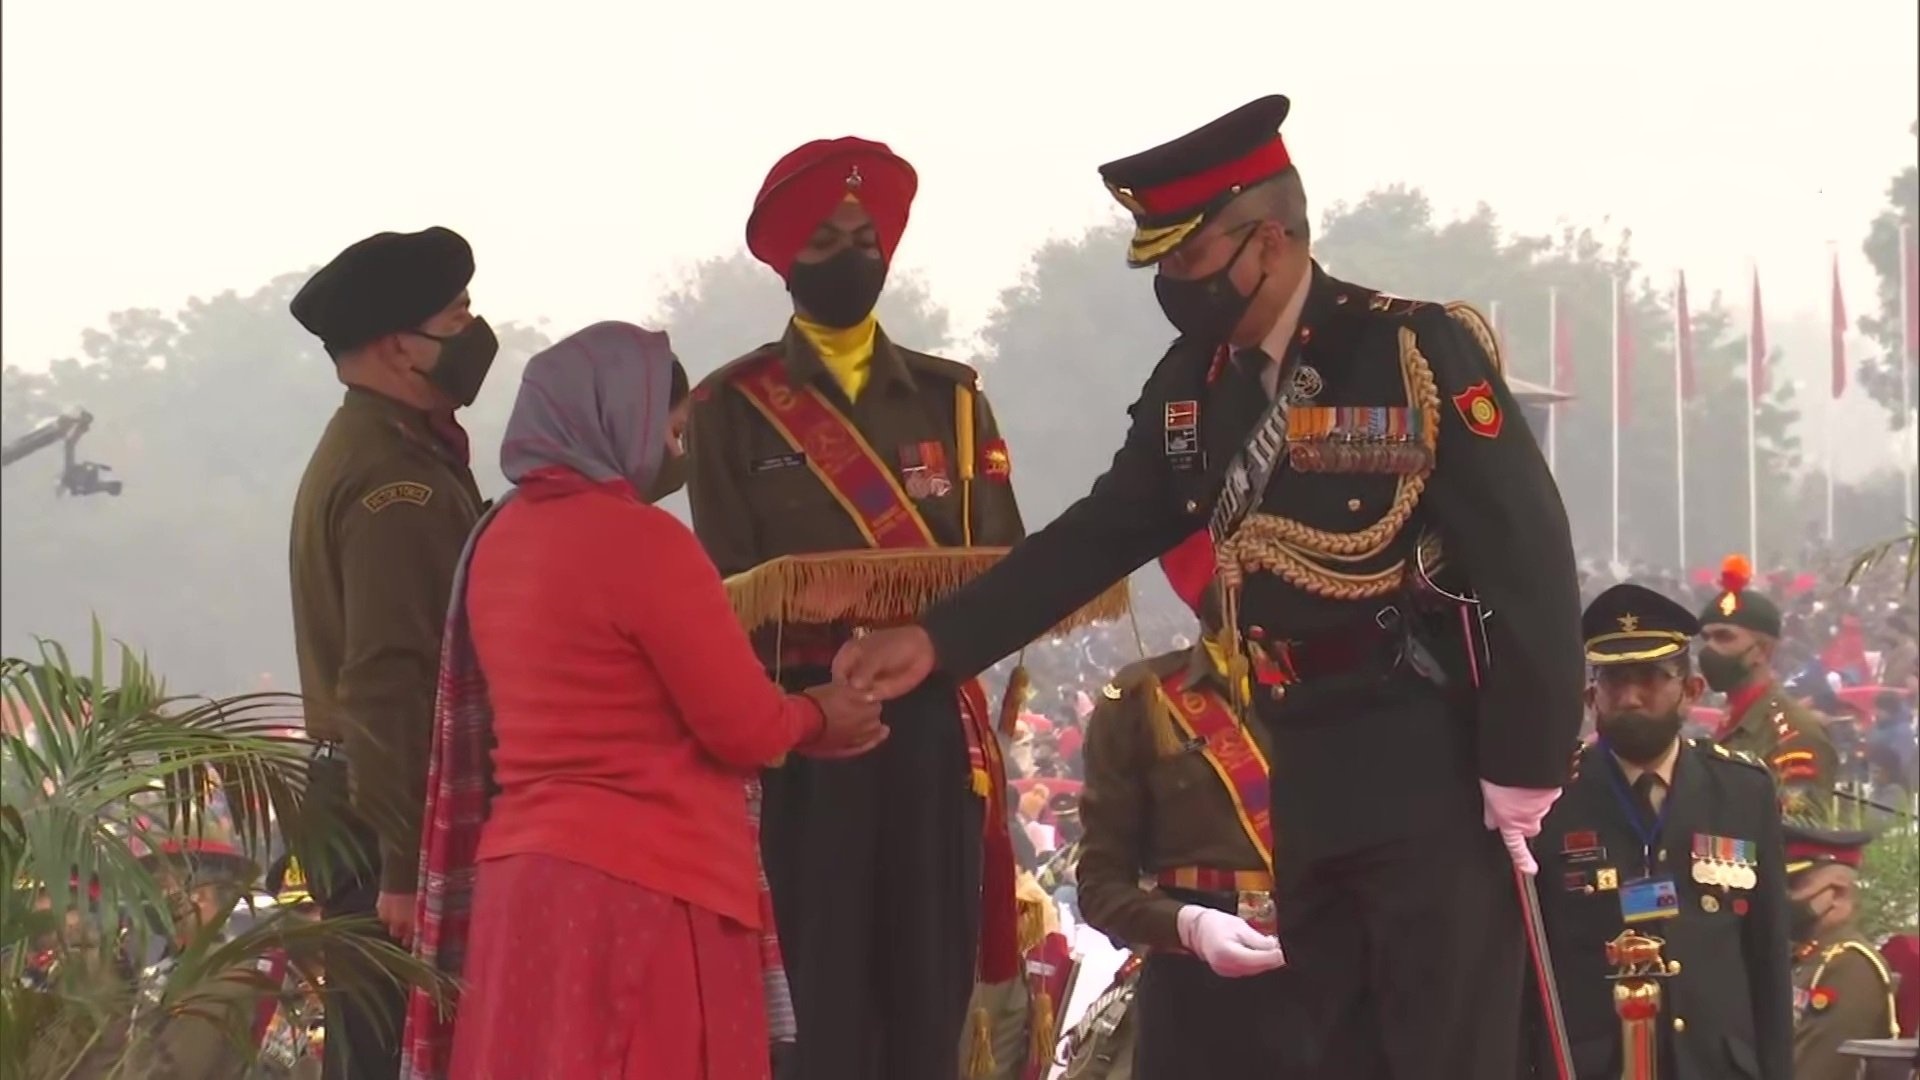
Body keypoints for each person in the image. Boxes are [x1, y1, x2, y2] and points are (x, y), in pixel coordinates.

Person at [835, 94, 1584, 1080]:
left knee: (1443, 1041)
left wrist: (1523, 762)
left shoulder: (1409, 350)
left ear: (1267, 239)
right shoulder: (1195, 386)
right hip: (1293, 757)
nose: (1174, 284)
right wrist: (940, 642)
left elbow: (1527, 556)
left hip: (1424, 753)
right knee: (1332, 1048)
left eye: (1188, 258)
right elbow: (1100, 533)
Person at [395, 322, 887, 1080]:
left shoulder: (495, 541)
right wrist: (823, 713)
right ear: (617, 417)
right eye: (675, 427)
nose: (678, 451)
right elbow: (744, 727)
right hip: (646, 891)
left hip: (523, 886)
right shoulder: (645, 543)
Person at [686, 136, 1053, 1080]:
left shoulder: (952, 400)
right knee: (816, 992)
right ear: (783, 259)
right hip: (805, 729)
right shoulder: (734, 408)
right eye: (824, 239)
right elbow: (724, 590)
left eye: (864, 236)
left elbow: (1005, 568)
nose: (848, 255)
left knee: (928, 983)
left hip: (927, 723)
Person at [287, 225, 495, 1080]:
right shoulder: (392, 481)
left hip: (375, 798)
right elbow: (388, 682)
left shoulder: (392, 447)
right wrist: (408, 867)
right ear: (396, 347)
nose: (475, 335)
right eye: (457, 317)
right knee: (389, 1052)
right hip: (389, 810)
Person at [1076, 527, 1327, 1077]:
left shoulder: (1340, 686)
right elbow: (1100, 887)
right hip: (1194, 1004)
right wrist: (1187, 924)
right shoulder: (1142, 699)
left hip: (1329, 984)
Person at [1525, 583, 1792, 1080]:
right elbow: (1527, 964)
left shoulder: (1741, 792)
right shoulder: (1552, 798)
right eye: (1613, 680)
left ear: (1690, 691)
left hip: (1717, 1065)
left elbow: (1768, 955)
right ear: (1590, 696)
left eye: (1650, 677)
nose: (1629, 697)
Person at [1697, 554, 1839, 817]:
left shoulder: (1793, 734)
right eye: (1706, 638)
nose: (1709, 650)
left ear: (1761, 650)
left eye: (1724, 637)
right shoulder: (1732, 723)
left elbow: (1796, 837)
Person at [1784, 822, 1899, 1079]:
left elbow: (1816, 1071)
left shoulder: (1851, 965)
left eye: (1794, 885)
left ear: (1836, 893)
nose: (1784, 897)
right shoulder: (1806, 956)